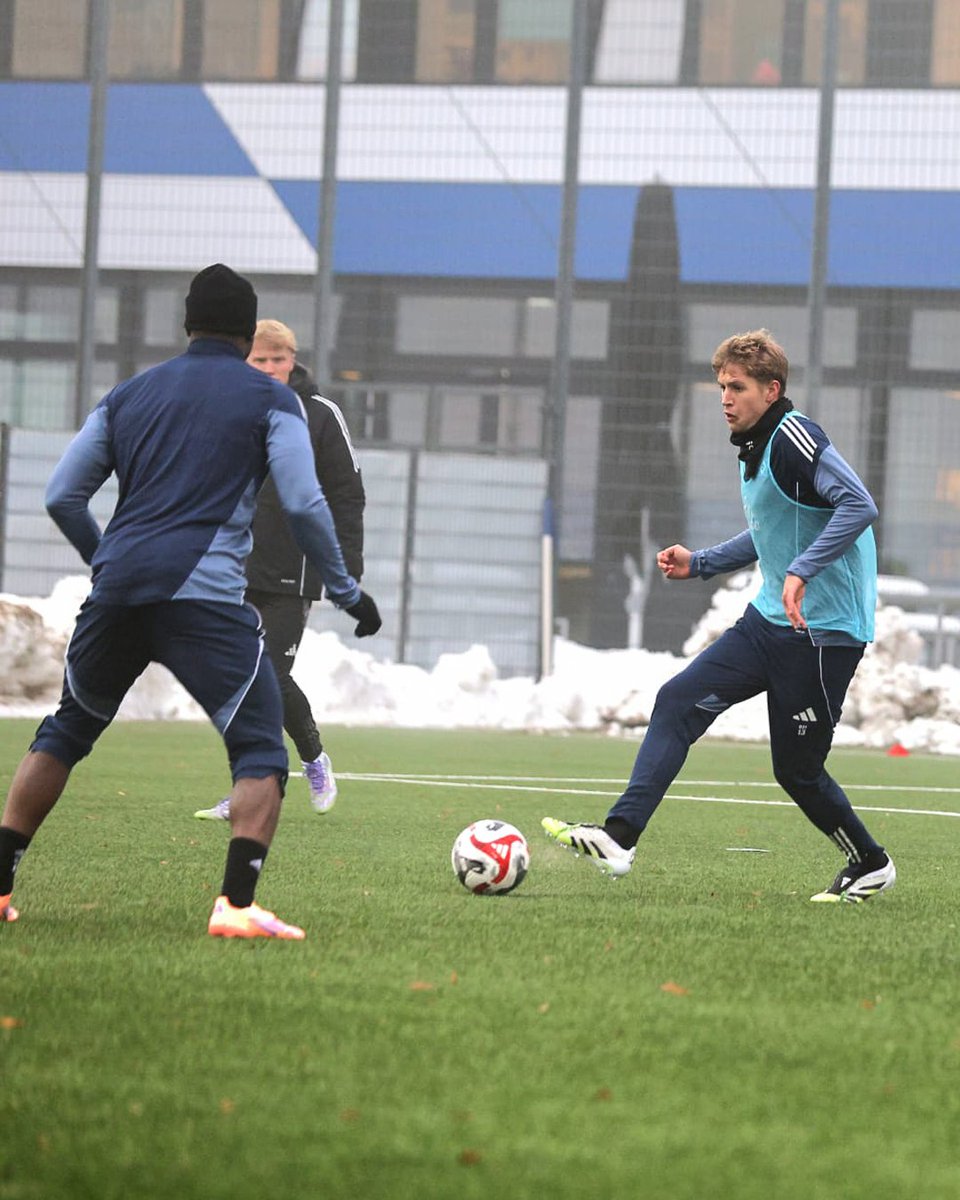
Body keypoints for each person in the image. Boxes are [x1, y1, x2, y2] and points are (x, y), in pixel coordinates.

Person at [0, 264, 381, 939]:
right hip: (202, 601)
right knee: (262, 749)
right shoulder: (272, 401)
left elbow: (62, 494)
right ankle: (236, 905)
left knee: (65, 731)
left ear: (187, 323)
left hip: (116, 593)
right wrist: (348, 590)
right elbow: (303, 499)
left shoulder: (130, 394)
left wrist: (107, 559)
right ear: (245, 332)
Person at [543, 329, 896, 904]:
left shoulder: (794, 437)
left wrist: (803, 571)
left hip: (823, 632)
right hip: (768, 621)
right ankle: (619, 837)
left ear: (771, 389)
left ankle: (870, 863)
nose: (725, 398)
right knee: (678, 700)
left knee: (798, 770)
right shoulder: (754, 447)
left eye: (737, 387)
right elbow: (770, 532)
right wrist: (702, 562)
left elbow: (859, 503)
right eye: (721, 387)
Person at [194, 319, 364, 821]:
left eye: (277, 359)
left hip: (296, 572)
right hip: (234, 569)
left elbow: (349, 495)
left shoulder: (321, 415)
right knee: (238, 680)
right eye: (257, 360)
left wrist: (346, 570)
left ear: (292, 360)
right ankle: (246, 791)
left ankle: (313, 758)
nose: (268, 368)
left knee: (268, 675)